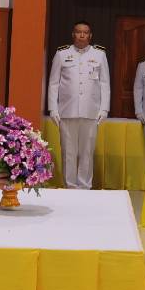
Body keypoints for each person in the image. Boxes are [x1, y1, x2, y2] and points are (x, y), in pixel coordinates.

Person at [46, 22, 109, 189]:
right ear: (73, 34)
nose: (82, 35)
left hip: (91, 111)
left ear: (90, 35)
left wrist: (104, 108)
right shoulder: (62, 54)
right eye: (78, 32)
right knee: (68, 151)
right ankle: (70, 186)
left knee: (87, 151)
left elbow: (104, 83)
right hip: (67, 111)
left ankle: (85, 186)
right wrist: (53, 108)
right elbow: (53, 83)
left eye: (85, 32)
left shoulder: (99, 55)